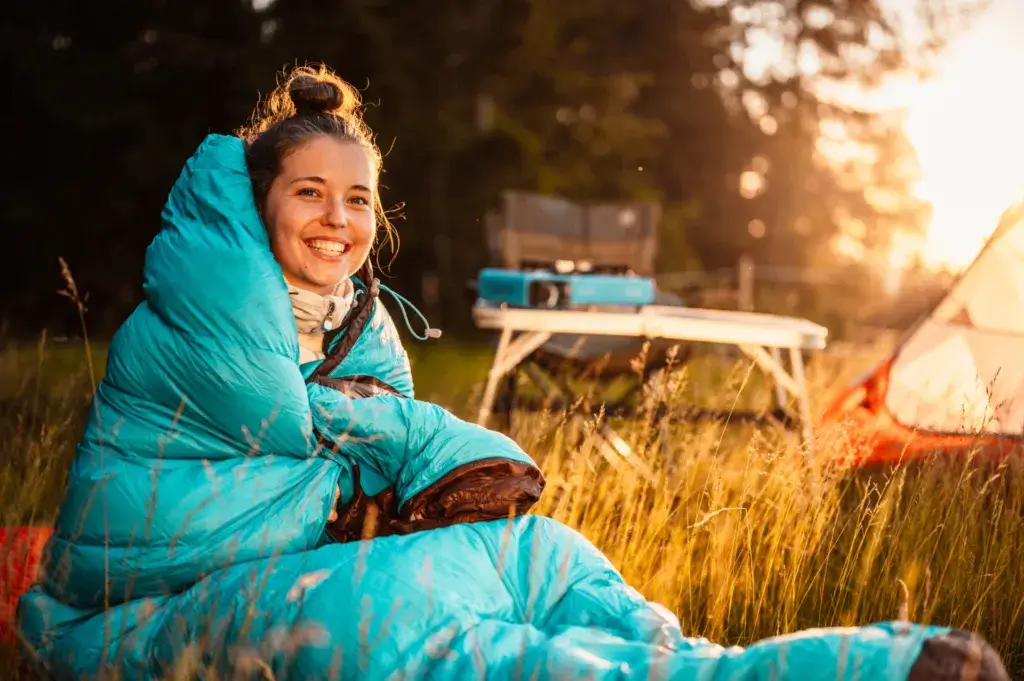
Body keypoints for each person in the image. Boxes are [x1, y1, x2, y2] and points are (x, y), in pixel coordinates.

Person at [16, 64, 1008, 681]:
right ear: (257, 207)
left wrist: (419, 470)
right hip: (147, 609)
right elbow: (304, 435)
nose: (336, 218)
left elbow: (364, 453)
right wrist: (412, 460)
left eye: (357, 199)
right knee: (395, 627)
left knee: (545, 560)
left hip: (303, 562)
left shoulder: (359, 327)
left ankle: (734, 667)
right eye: (308, 192)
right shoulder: (201, 319)